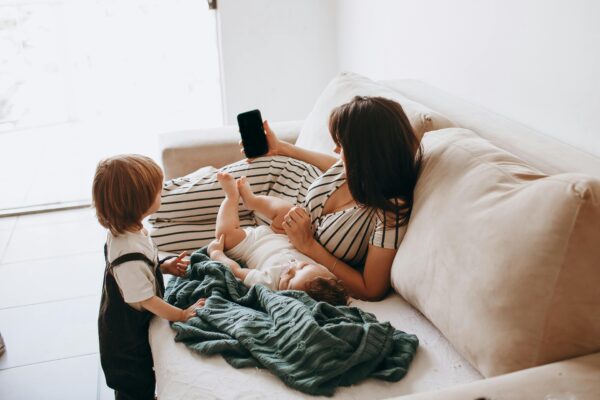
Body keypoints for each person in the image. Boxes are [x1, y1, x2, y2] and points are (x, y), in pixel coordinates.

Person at [150, 96, 422, 301]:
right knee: (159, 202)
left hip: (267, 238)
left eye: (343, 144)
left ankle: (130, 252)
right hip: (274, 180)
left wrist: (308, 245)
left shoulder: (389, 212)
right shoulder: (353, 166)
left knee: (161, 242)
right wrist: (283, 149)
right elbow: (332, 165)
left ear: (367, 154)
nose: (336, 149)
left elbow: (370, 289)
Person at [93, 154, 205, 400]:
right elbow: (148, 300)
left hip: (128, 332)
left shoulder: (129, 231)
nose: (162, 192)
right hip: (125, 344)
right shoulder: (128, 254)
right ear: (138, 203)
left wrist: (163, 266)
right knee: (136, 386)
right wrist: (181, 314)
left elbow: (145, 267)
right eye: (157, 191)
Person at [206, 172, 348, 306]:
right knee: (290, 214)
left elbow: (237, 271)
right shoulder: (320, 270)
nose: (291, 268)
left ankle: (231, 197)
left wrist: (217, 254)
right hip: (280, 234)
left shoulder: (269, 283)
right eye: (303, 266)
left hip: (248, 247)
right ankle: (252, 200)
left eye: (289, 282)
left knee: (225, 236)